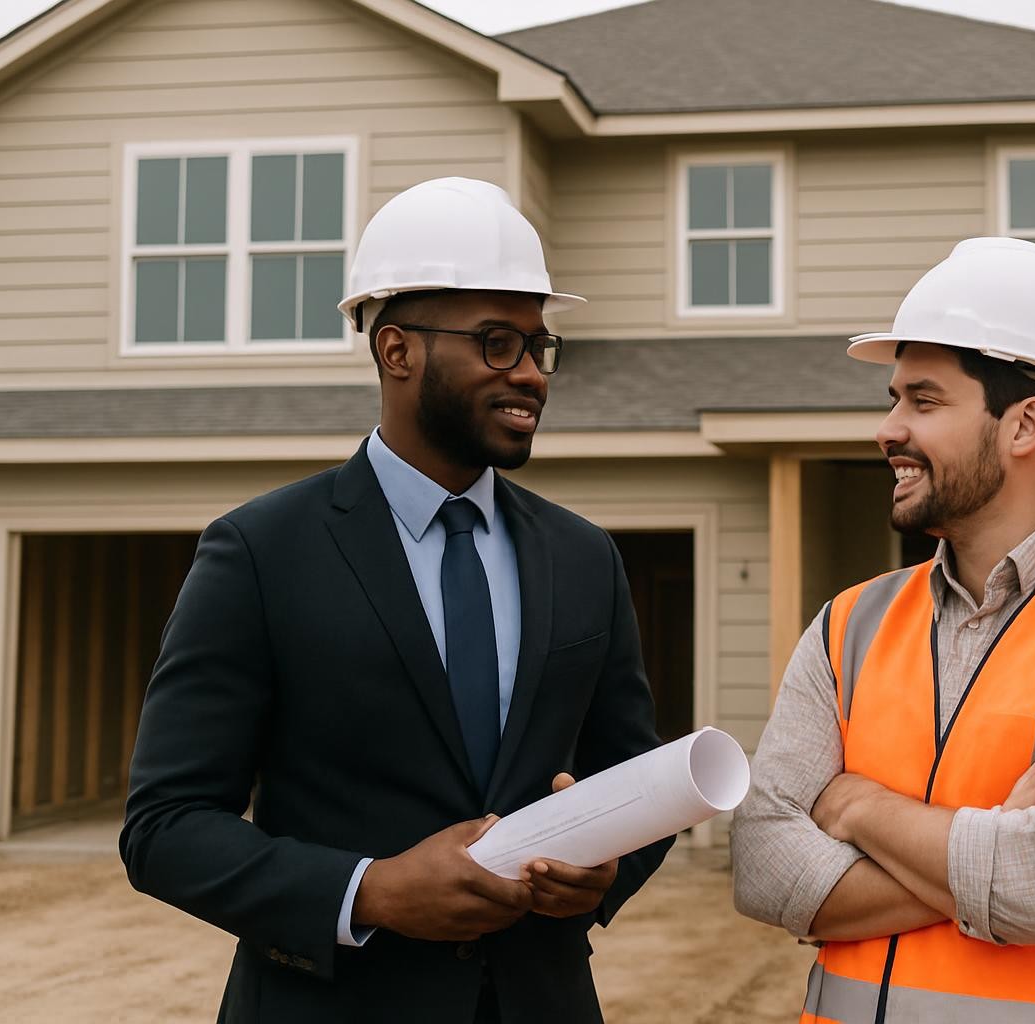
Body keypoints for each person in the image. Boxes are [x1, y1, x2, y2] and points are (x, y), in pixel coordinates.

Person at [121, 178, 672, 1024]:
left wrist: (601, 869)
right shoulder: (260, 552)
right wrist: (368, 891)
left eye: (538, 345)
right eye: (496, 343)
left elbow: (631, 781)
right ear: (396, 350)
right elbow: (165, 827)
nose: (530, 373)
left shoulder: (582, 556)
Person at [731, 237, 1035, 1023]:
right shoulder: (847, 626)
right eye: (893, 399)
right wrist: (1000, 837)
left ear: (1025, 424)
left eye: (923, 401)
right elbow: (762, 867)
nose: (887, 429)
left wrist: (856, 808)